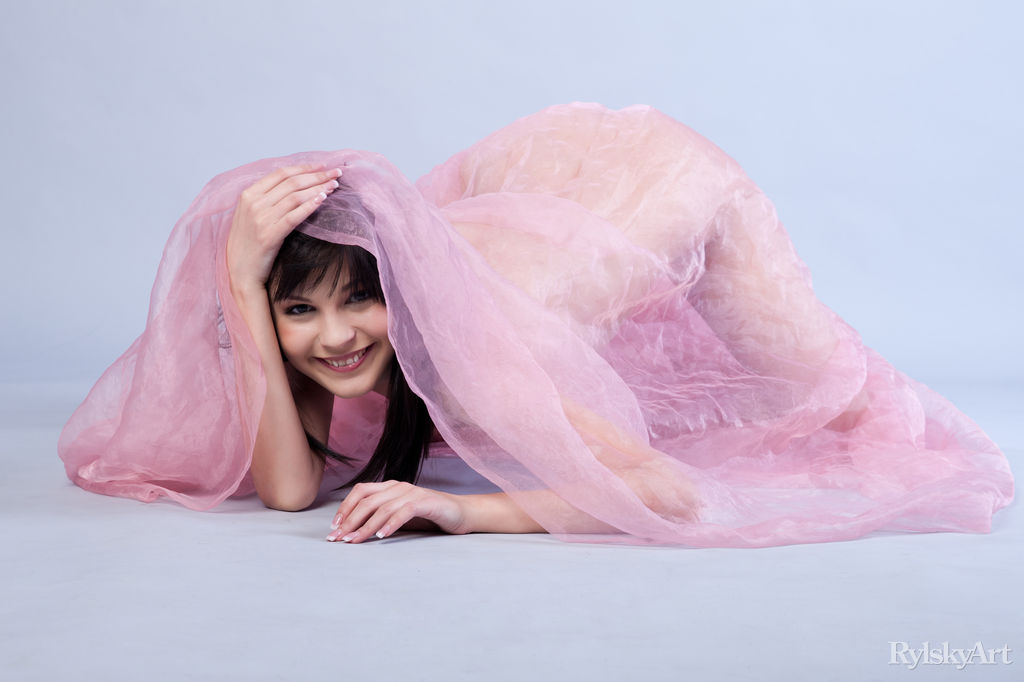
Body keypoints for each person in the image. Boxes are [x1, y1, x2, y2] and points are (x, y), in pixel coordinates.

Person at [58, 103, 1015, 547]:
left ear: (401, 289)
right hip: (524, 205)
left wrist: (460, 511)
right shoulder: (315, 333)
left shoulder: (473, 354)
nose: (335, 338)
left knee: (827, 395)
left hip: (663, 185)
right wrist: (239, 271)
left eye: (360, 301)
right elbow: (288, 490)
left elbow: (663, 494)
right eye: (297, 311)